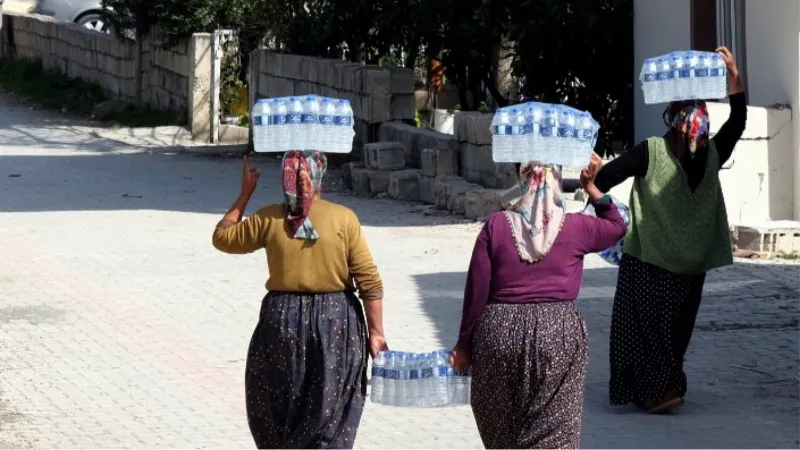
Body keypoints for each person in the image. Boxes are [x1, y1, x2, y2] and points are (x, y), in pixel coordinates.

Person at [593, 46, 747, 414]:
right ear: (704, 125)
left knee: (644, 329)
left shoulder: (650, 152)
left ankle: (658, 391)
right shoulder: (714, 154)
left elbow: (605, 177)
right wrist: (734, 76)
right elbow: (739, 121)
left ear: (671, 120)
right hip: (693, 264)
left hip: (651, 261)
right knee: (676, 330)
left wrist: (594, 189)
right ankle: (668, 385)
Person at [212, 151, 389, 449]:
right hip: (336, 324)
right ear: (321, 177)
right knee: (329, 410)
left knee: (280, 403)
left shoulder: (269, 217)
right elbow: (369, 281)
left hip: (281, 321)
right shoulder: (343, 219)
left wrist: (245, 194)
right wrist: (376, 332)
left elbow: (222, 237)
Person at [450, 160, 627, 450]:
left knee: (502, 429)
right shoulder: (577, 227)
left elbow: (476, 291)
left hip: (498, 333)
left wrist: (464, 344)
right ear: (557, 184)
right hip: (558, 334)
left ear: (522, 184)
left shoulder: (496, 225)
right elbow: (618, 225)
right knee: (554, 427)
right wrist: (591, 187)